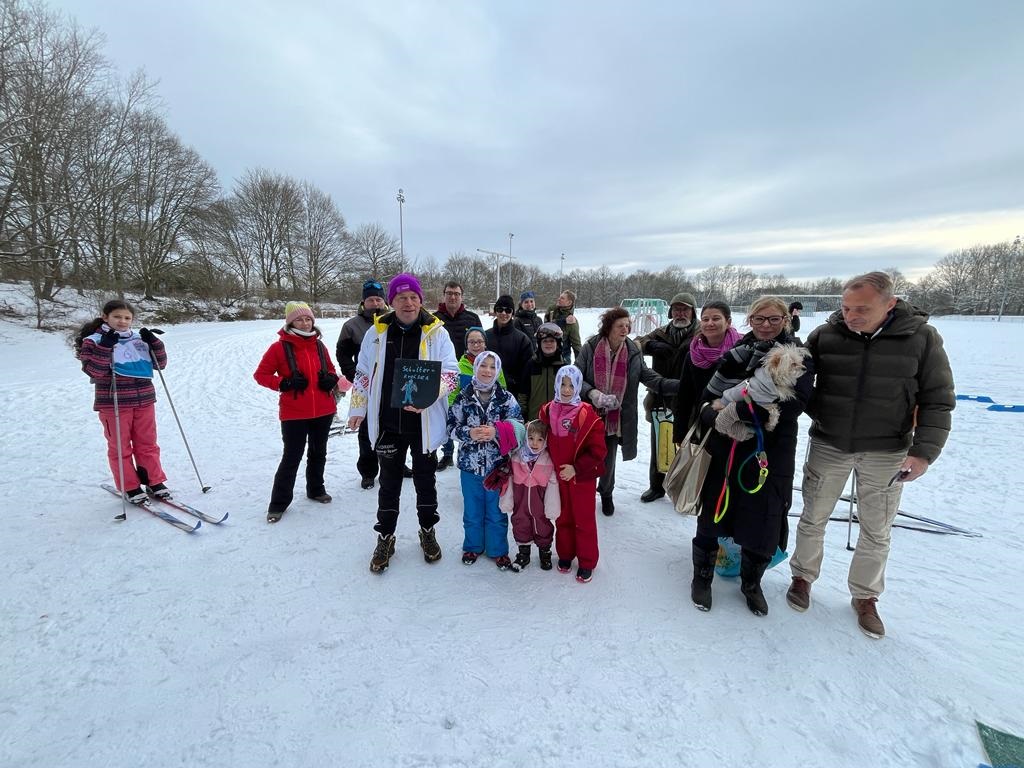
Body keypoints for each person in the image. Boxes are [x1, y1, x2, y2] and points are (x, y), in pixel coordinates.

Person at [787, 272, 955, 639]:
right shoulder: (826, 335)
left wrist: (924, 452)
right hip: (830, 443)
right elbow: (800, 381)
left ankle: (865, 596)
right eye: (846, 307)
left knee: (876, 528)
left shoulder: (921, 338)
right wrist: (815, 409)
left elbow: (938, 399)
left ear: (890, 304)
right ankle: (802, 577)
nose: (851, 315)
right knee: (813, 516)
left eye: (862, 309)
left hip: (887, 450)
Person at [689, 296, 813, 616]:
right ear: (750, 321)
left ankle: (751, 582)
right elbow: (708, 399)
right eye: (759, 319)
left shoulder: (797, 358)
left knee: (764, 516)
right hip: (726, 446)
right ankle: (702, 575)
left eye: (774, 319)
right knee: (714, 511)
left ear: (786, 320)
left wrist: (743, 410)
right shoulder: (735, 356)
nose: (766, 326)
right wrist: (713, 416)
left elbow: (796, 404)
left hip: (770, 450)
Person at [348, 272, 459, 573]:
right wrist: (357, 408)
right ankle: (385, 535)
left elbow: (451, 374)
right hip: (388, 423)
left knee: (426, 482)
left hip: (423, 424)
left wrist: (428, 395)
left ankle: (427, 530)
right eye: (401, 298)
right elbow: (362, 373)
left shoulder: (437, 333)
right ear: (391, 302)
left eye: (413, 297)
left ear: (421, 300)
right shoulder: (377, 332)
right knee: (389, 483)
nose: (408, 303)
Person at [577, 307, 679, 517]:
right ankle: (582, 493)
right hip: (589, 413)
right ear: (608, 327)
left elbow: (647, 375)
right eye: (620, 325)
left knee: (608, 458)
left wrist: (676, 385)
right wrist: (593, 393)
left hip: (616, 417)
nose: (625, 329)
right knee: (585, 456)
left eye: (627, 325)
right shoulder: (591, 346)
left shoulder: (632, 350)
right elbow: (575, 376)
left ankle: (606, 493)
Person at [75, 300, 171, 503]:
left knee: (147, 444)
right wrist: (106, 347)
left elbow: (160, 364)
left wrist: (153, 342)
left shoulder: (136, 339)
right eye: (117, 317)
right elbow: (94, 371)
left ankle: (154, 481)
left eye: (127, 318)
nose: (122, 321)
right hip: (114, 402)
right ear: (105, 317)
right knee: (120, 447)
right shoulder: (93, 341)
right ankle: (130, 486)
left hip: (144, 399)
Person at [253, 302, 339, 523]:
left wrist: (331, 378)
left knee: (319, 453)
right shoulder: (279, 348)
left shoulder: (319, 346)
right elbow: (261, 375)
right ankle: (278, 503)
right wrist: (284, 383)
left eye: (308, 319)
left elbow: (330, 369)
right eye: (300, 319)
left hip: (323, 409)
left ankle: (316, 489)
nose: (305, 323)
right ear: (290, 322)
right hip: (294, 413)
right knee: (292, 457)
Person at [447, 351, 523, 570]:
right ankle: (472, 546)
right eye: (483, 365)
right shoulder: (464, 396)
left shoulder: (506, 398)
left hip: (496, 468)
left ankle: (498, 550)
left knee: (496, 512)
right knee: (472, 511)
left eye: (492, 367)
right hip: (469, 467)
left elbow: (519, 426)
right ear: (476, 367)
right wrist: (469, 434)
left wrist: (497, 431)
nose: (487, 371)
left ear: (497, 371)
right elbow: (450, 427)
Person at [538, 366, 607, 583]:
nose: (566, 390)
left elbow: (598, 451)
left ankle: (587, 561)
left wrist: (576, 468)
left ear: (577, 386)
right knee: (563, 516)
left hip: (580, 478)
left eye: (571, 385)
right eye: (562, 384)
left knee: (583, 519)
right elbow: (540, 436)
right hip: (558, 477)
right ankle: (566, 554)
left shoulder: (586, 414)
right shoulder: (548, 410)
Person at [638, 292, 699, 502]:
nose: (680, 313)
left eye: (685, 309)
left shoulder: (701, 333)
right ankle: (656, 486)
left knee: (686, 445)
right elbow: (636, 342)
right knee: (659, 442)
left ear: (693, 311)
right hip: (661, 396)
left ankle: (682, 488)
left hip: (689, 398)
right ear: (671, 311)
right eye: (676, 309)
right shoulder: (661, 332)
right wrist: (650, 345)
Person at [337, 279, 389, 489]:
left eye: (378, 299)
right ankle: (368, 471)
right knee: (367, 429)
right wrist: (354, 375)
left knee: (393, 428)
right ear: (363, 301)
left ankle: (395, 465)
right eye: (370, 299)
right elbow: (343, 355)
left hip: (389, 387)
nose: (375, 303)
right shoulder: (352, 326)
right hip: (366, 386)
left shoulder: (393, 321)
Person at [672, 301, 742, 445]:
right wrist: (679, 433)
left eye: (716, 318)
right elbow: (685, 395)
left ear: (728, 322)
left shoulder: (741, 350)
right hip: (703, 424)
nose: (710, 323)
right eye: (705, 319)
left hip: (736, 426)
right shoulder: (693, 353)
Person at [434, 281, 483, 472]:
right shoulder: (434, 319)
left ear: (462, 296)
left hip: (467, 372)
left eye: (456, 293)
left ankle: (468, 446)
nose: (452, 297)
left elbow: (481, 343)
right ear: (443, 295)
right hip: (442, 375)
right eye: (449, 293)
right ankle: (446, 453)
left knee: (467, 411)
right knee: (445, 413)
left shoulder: (471, 318)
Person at [500, 419, 560, 571]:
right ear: (526, 438)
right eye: (531, 438)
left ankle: (545, 553)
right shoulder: (516, 457)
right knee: (520, 525)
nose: (535, 443)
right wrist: (507, 501)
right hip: (521, 504)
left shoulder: (548, 460)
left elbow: (553, 485)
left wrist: (552, 507)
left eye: (540, 439)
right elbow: (511, 482)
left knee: (543, 527)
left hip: (539, 505)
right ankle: (523, 555)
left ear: (545, 441)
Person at [485, 294, 534, 397]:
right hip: (487, 392)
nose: (503, 313)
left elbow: (528, 371)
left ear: (512, 313)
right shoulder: (485, 336)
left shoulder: (522, 339)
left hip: (512, 394)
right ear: (495, 311)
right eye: (500, 309)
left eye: (508, 310)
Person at [518, 322, 567, 421]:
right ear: (539, 344)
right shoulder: (531, 365)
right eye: (545, 341)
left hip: (558, 421)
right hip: (536, 420)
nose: (548, 344)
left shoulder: (564, 367)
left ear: (558, 344)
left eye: (552, 341)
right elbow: (523, 394)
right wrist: (523, 416)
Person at [545, 290, 582, 363]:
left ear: (569, 302)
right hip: (546, 352)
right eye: (559, 297)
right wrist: (563, 321)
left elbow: (576, 344)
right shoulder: (551, 309)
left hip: (564, 355)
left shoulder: (573, 322)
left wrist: (580, 365)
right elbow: (545, 326)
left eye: (562, 298)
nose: (558, 299)